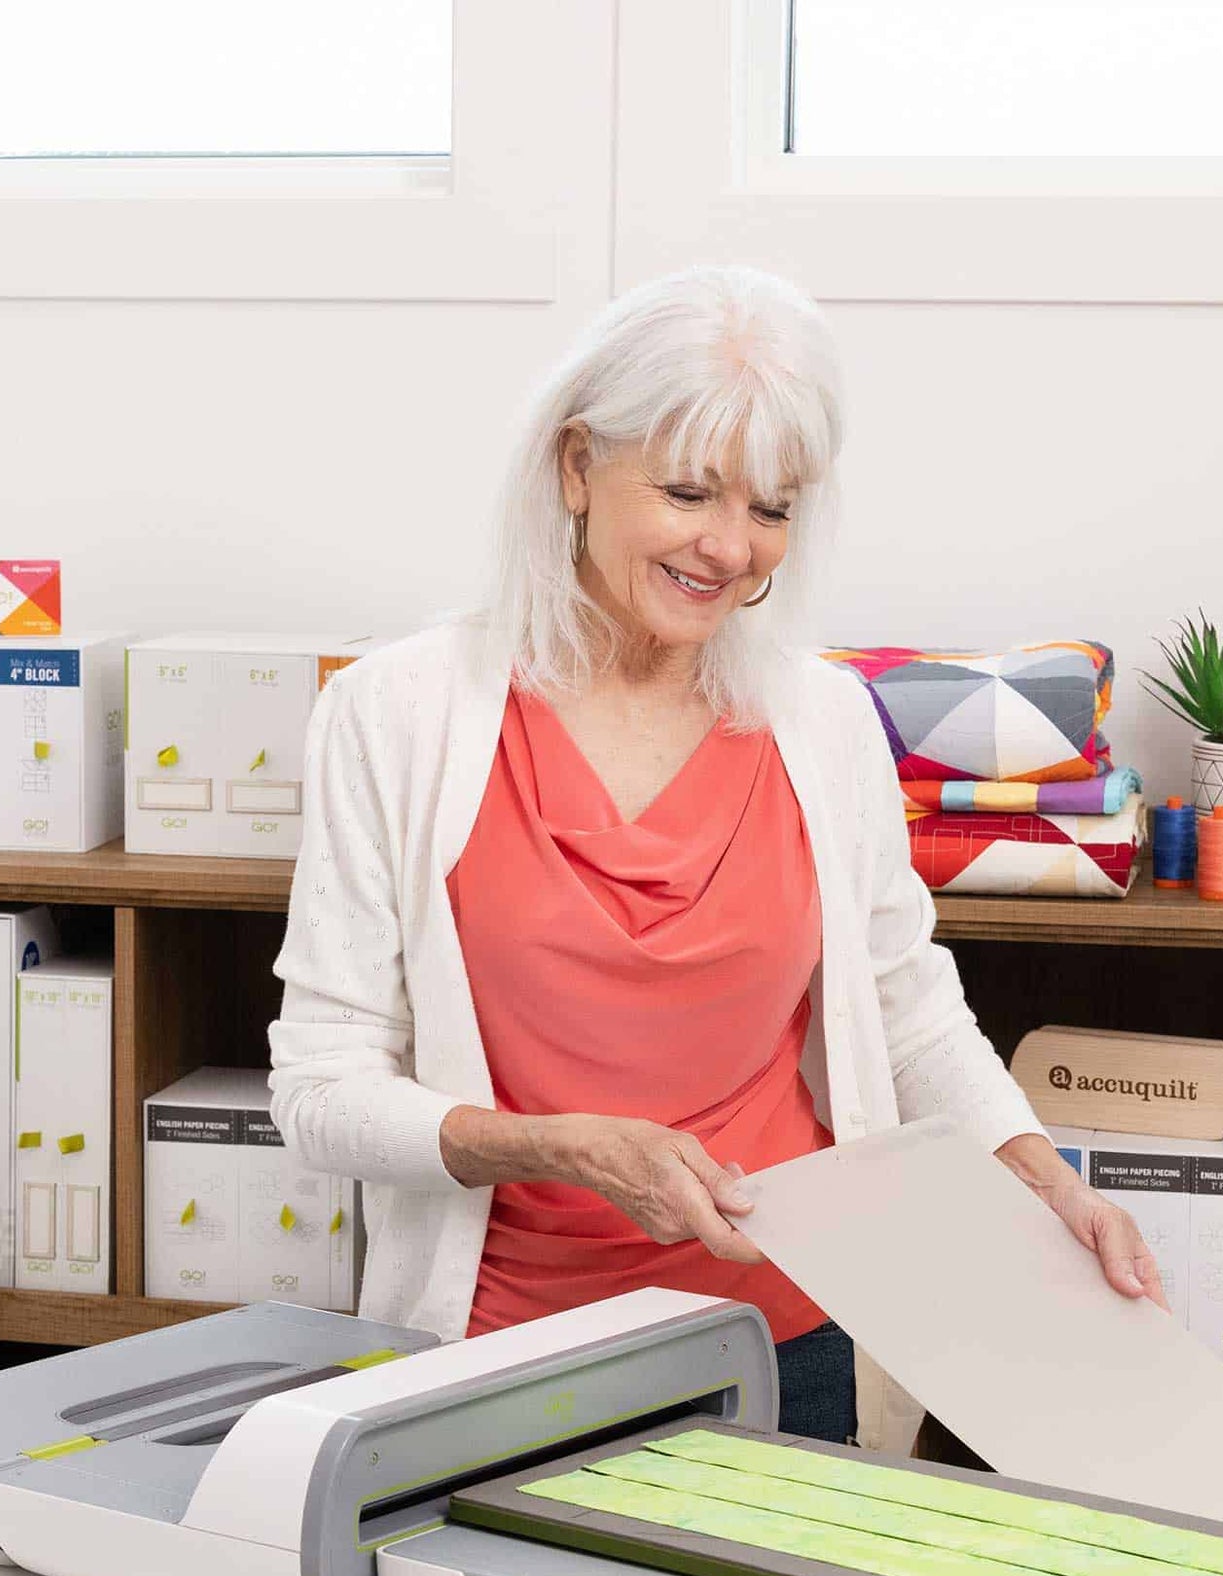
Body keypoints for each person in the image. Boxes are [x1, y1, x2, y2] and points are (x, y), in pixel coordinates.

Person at [269, 264, 1161, 1448]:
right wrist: (555, 1145)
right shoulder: (395, 713)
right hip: (497, 1346)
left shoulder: (823, 719)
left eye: (771, 508)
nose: (731, 547)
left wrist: (1043, 1180)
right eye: (688, 491)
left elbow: (907, 1011)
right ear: (576, 466)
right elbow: (319, 1093)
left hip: (783, 1340)